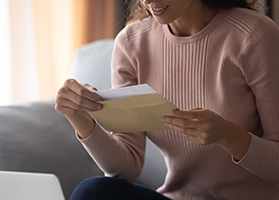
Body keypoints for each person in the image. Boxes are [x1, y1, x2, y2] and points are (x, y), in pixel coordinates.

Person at [55, 0, 279, 199]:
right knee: (94, 192)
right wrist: (80, 118)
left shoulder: (255, 35)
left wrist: (226, 135)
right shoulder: (132, 43)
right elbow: (126, 167)